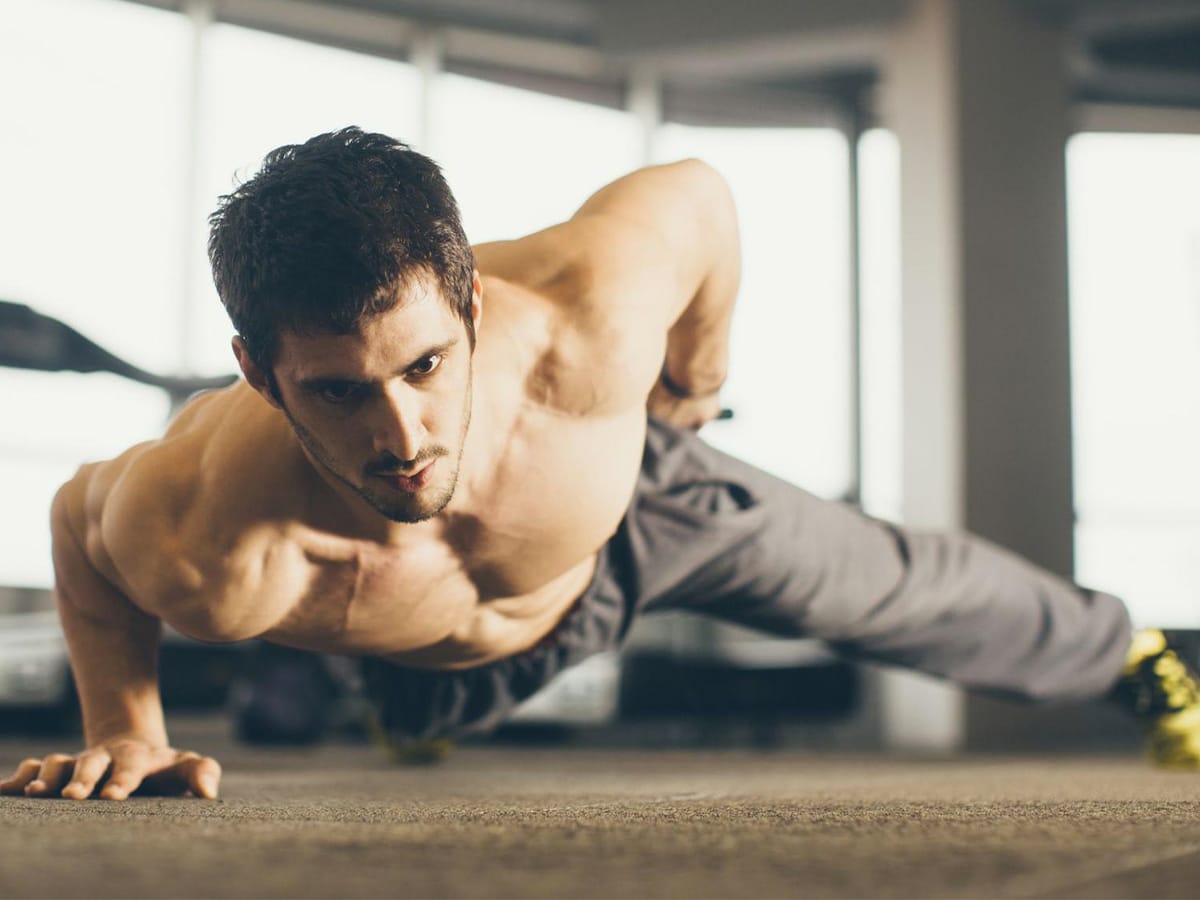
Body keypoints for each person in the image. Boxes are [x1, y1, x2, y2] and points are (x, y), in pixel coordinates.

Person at [2, 128, 1197, 802]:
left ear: (471, 304)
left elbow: (702, 199)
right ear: (258, 372)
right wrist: (128, 723)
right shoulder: (208, 526)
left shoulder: (592, 313)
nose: (402, 439)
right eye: (336, 392)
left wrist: (691, 386)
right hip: (447, 656)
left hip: (634, 505)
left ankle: (1130, 657)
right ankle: (412, 704)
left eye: (424, 367)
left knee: (890, 580)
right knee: (415, 698)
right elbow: (75, 521)